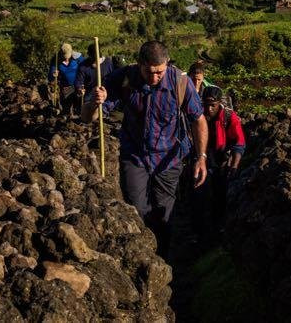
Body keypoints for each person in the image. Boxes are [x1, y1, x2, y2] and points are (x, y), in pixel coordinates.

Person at [82, 40, 208, 258]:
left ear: (167, 64)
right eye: (150, 72)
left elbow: (199, 120)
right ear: (139, 64)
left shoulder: (180, 82)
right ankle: (143, 255)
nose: (155, 78)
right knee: (136, 210)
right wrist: (95, 101)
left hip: (169, 158)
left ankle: (163, 258)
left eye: (160, 72)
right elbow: (87, 118)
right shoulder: (124, 78)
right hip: (135, 155)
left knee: (164, 212)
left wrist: (201, 157)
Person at [190, 85, 245, 236]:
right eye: (206, 105)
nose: (209, 109)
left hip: (221, 159)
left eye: (212, 105)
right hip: (201, 156)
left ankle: (217, 227)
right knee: (199, 193)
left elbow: (239, 143)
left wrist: (233, 166)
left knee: (220, 193)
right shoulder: (197, 116)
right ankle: (199, 229)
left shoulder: (229, 117)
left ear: (219, 103)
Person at [49, 43, 83, 117]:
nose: (66, 58)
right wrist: (54, 74)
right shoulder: (56, 60)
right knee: (67, 106)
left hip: (78, 85)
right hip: (66, 87)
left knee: (79, 104)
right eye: (64, 57)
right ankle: (68, 118)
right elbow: (51, 76)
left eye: (68, 56)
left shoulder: (78, 57)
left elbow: (84, 69)